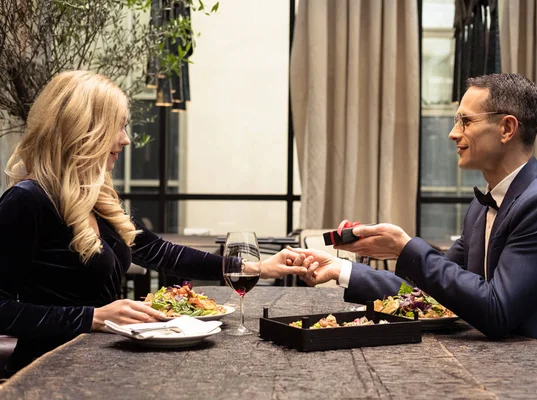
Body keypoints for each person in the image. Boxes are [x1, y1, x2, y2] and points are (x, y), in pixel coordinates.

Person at [0, 70, 314, 374]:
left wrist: (257, 267)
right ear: (82, 130)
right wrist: (92, 317)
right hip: (48, 372)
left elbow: (163, 253)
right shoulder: (26, 201)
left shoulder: (94, 199)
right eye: (118, 127)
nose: (126, 140)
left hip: (103, 363)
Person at [294, 73, 537, 350]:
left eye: (465, 121)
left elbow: (497, 311)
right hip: (505, 363)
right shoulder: (480, 209)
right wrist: (342, 270)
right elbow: (430, 295)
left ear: (507, 128)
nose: (453, 133)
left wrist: (406, 248)